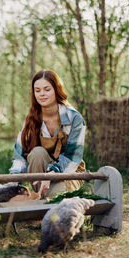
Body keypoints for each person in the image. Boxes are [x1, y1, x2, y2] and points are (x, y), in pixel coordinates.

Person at [9, 69, 86, 198]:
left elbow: (72, 159)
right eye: (37, 90)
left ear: (56, 90)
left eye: (47, 89)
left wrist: (51, 175)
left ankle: (44, 198)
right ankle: (41, 195)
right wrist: (12, 184)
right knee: (37, 153)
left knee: (55, 195)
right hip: (40, 178)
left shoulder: (74, 118)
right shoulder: (31, 119)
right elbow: (19, 157)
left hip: (67, 174)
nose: (42, 94)